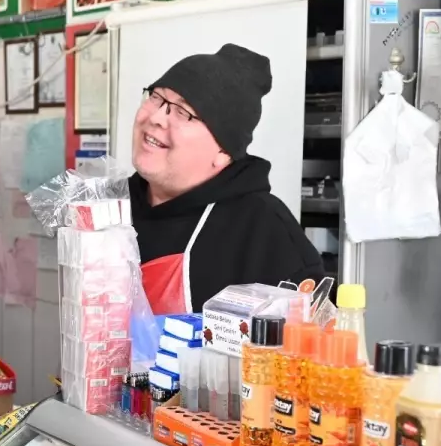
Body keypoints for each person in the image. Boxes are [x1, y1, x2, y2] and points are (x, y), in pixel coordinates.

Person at [129, 43, 325, 314]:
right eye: (156, 98)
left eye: (183, 112)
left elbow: (310, 347)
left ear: (223, 151)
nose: (157, 118)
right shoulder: (110, 208)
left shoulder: (265, 231)